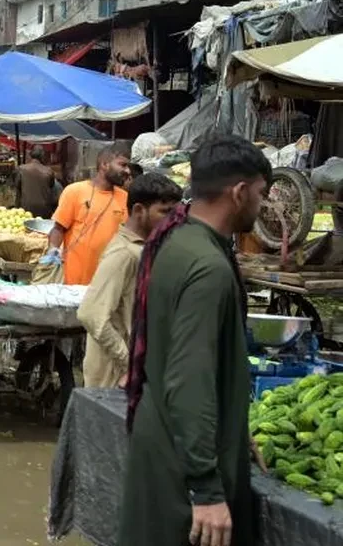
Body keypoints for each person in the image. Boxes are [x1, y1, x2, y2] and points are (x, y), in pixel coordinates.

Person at [119, 135, 271, 546]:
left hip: (166, 438)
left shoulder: (177, 239)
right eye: (260, 194)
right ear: (239, 193)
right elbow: (189, 379)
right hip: (180, 466)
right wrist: (206, 489)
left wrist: (236, 433)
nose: (261, 206)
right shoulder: (208, 268)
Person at [76, 172, 183, 389]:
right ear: (138, 211)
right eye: (165, 212)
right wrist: (129, 362)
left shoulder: (144, 249)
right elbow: (91, 314)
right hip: (113, 379)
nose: (173, 220)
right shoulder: (123, 253)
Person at [43, 144, 131, 285]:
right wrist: (53, 249)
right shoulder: (74, 192)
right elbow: (58, 228)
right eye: (123, 165)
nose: (127, 171)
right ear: (104, 164)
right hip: (75, 283)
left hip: (108, 284)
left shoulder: (125, 198)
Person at [17, 146, 60, 218]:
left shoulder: (21, 169)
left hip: (25, 210)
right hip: (44, 210)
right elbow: (51, 187)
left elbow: (17, 188)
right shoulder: (49, 171)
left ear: (30, 155)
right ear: (42, 156)